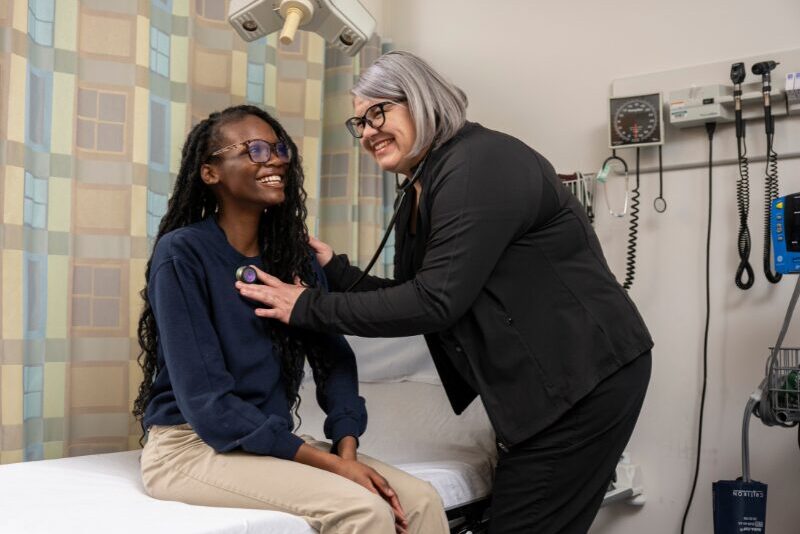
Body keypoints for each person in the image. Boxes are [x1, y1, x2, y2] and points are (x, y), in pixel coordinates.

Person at [236, 53, 654, 534]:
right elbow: (416, 294)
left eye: (379, 112)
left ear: (421, 100)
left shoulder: (479, 163)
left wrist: (306, 307)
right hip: (544, 385)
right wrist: (338, 270)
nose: (368, 132)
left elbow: (435, 303)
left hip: (583, 375)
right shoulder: (422, 183)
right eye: (359, 122)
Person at [132, 104, 448, 534]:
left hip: (265, 444)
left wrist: (346, 453)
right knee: (364, 510)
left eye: (279, 148)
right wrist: (328, 465)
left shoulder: (291, 258)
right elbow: (209, 403)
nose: (277, 158)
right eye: (255, 150)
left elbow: (333, 360)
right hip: (189, 447)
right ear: (210, 173)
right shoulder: (183, 254)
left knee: (423, 503)